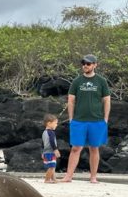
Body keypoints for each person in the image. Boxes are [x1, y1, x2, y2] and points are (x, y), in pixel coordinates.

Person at [62, 54, 111, 184]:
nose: (85, 65)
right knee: (75, 148)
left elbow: (106, 100)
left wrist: (105, 119)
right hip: (79, 120)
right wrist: (71, 118)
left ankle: (93, 177)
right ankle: (68, 176)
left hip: (97, 120)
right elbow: (71, 100)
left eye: (88, 64)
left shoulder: (101, 81)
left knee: (94, 148)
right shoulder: (77, 81)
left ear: (95, 65)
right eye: (83, 63)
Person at [42, 114, 61, 183]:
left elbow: (43, 143)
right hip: (50, 152)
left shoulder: (44, 132)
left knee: (53, 165)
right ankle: (47, 179)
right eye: (55, 123)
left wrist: (42, 152)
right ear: (49, 123)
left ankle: (53, 179)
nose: (56, 125)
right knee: (52, 166)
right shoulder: (51, 133)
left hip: (46, 152)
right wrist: (55, 149)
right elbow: (52, 141)